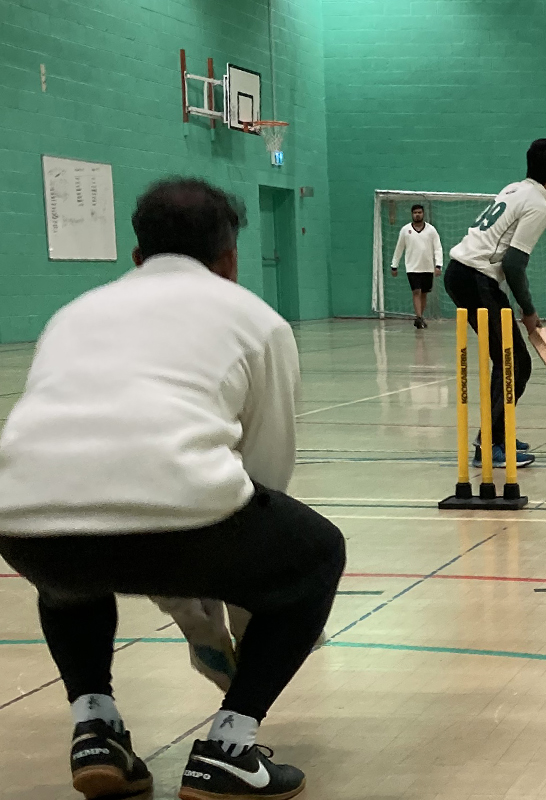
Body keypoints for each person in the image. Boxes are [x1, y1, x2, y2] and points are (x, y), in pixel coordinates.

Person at [0, 177, 346, 800]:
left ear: (137, 256)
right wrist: (226, 601)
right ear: (230, 259)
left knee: (69, 560)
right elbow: (263, 477)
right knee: (318, 553)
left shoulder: (73, 313)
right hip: (182, 516)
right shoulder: (257, 320)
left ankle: (95, 730)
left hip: (21, 522)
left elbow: (59, 452)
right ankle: (229, 748)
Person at [444, 138, 546, 468]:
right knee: (516, 363)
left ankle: (498, 432)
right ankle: (491, 445)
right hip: (475, 277)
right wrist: (528, 311)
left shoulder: (514, 188)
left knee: (507, 360)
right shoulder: (539, 205)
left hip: (462, 272)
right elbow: (513, 264)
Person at [389, 203, 444, 329]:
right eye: (415, 213)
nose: (417, 215)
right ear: (412, 214)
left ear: (423, 214)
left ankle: (420, 317)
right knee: (416, 291)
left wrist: (438, 265)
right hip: (412, 268)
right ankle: (418, 317)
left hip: (427, 267)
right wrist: (394, 265)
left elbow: (438, 248)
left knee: (424, 293)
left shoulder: (431, 230)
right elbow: (399, 248)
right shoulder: (405, 230)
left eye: (419, 212)